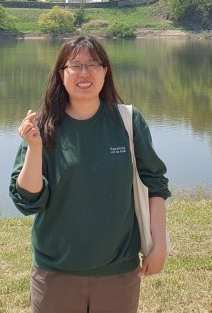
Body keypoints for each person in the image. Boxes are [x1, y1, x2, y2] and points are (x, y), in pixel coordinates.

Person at [10, 35, 170, 313]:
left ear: (105, 72)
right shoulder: (44, 126)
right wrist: (35, 147)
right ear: (61, 75)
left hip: (117, 273)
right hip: (55, 273)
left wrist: (159, 245)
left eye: (93, 65)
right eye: (75, 66)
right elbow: (28, 200)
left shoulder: (128, 121)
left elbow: (155, 184)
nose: (84, 73)